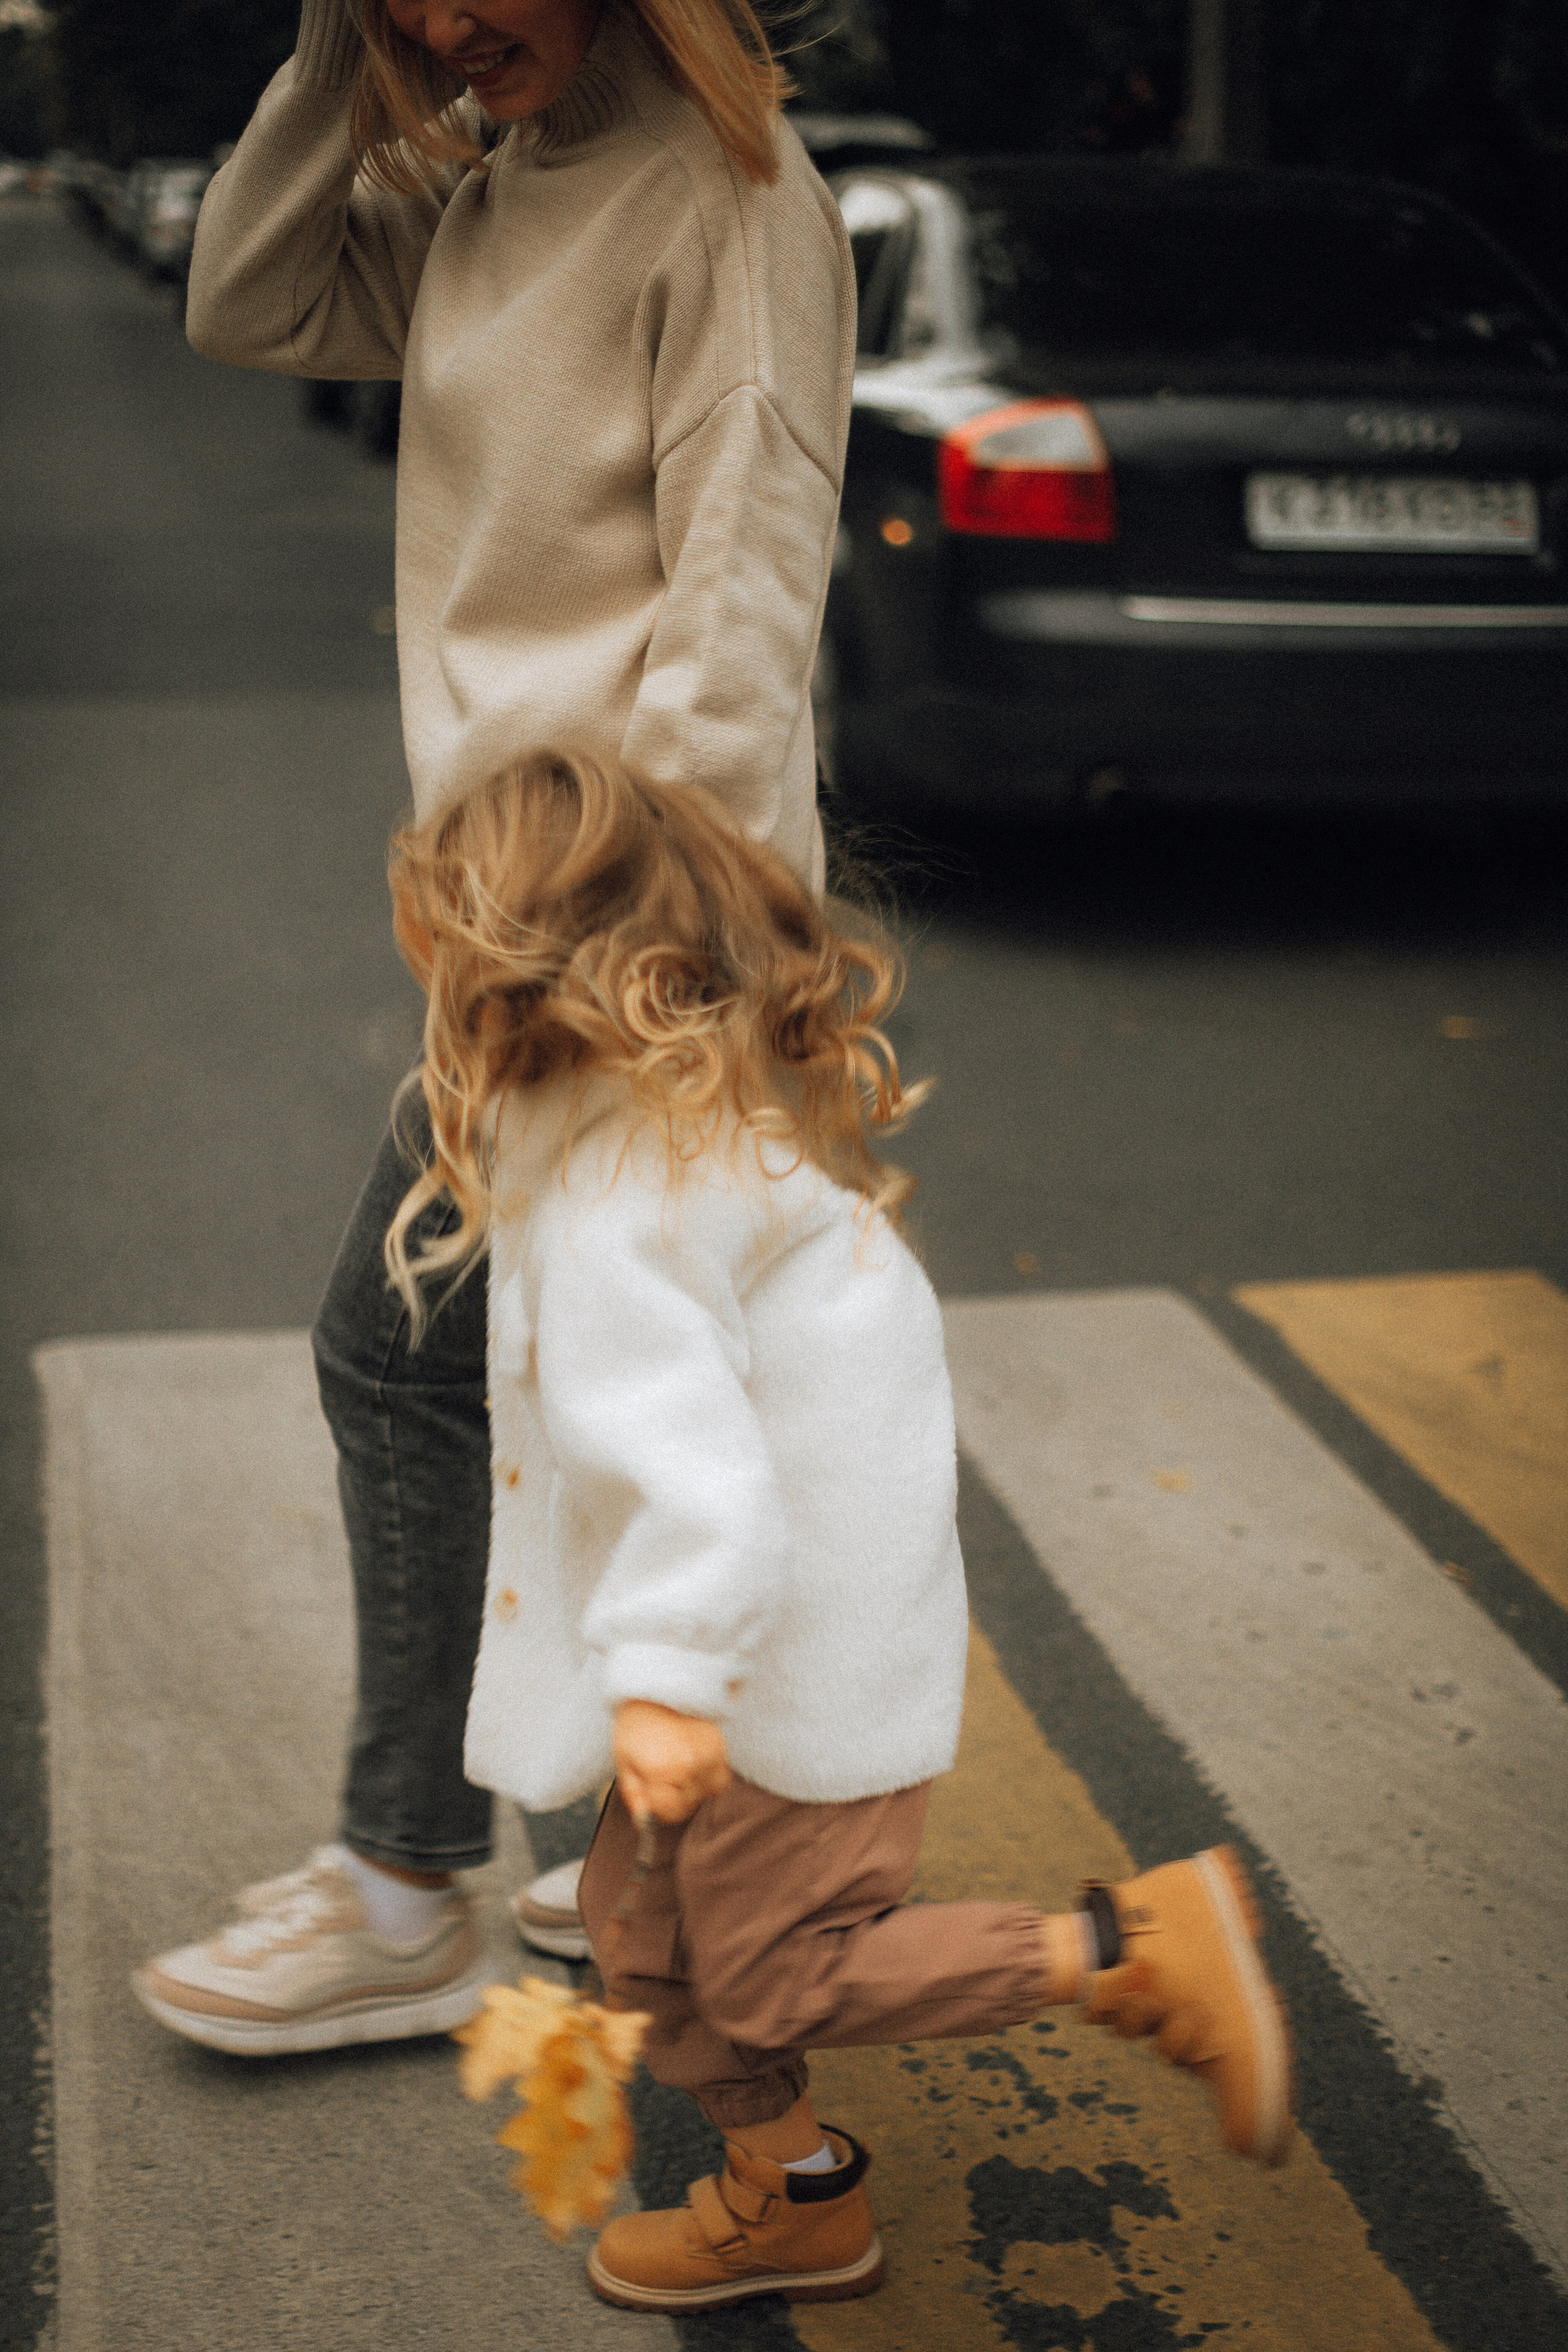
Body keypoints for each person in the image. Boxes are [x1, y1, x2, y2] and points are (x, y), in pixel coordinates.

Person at [134, 0, 856, 2053]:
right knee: (620, 1390)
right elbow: (244, 300)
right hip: (517, 920)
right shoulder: (488, 186)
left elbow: (743, 596)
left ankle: (407, 1876)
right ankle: (673, 1854)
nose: (453, 16)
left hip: (628, 927)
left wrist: (617, 958)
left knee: (397, 1361)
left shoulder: (731, 198)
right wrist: (322, 58)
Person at [380, 746, 1294, 2313]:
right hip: (782, 1642)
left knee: (772, 1970)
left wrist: (665, 1681)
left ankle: (1121, 1947)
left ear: (510, 974)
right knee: (637, 1937)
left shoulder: (620, 1202)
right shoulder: (685, 1138)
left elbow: (696, 1477)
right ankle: (794, 2194)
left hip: (761, 1675)